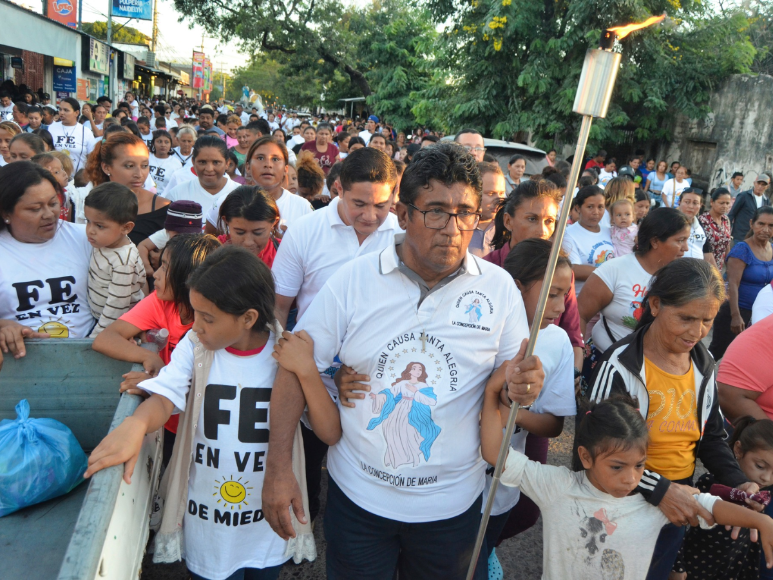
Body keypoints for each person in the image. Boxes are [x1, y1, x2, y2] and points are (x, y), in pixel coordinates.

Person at [262, 142, 545, 580]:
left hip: (452, 510)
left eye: (465, 213)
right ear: (404, 214)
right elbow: (294, 369)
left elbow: (504, 385)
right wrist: (278, 470)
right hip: (358, 501)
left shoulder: (499, 290)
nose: (452, 228)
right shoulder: (353, 281)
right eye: (435, 211)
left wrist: (520, 387)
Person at [84, 246, 314, 580]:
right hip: (209, 516)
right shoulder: (195, 347)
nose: (196, 326)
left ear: (248, 318)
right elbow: (165, 399)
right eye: (195, 314)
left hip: (267, 514)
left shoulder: (287, 353)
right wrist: (135, 424)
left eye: (207, 318)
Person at [586, 258, 759, 579]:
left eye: (707, 320)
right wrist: (660, 489)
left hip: (677, 504)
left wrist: (738, 484)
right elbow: (597, 453)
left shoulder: (703, 363)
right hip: (620, 505)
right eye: (686, 318)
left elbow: (711, 436)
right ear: (655, 304)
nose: (698, 332)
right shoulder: (621, 366)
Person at [482, 394, 773, 580]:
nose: (630, 479)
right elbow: (496, 453)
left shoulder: (655, 501)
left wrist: (761, 520)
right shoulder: (557, 486)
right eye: (617, 467)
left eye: (639, 465)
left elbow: (709, 506)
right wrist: (492, 393)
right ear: (585, 456)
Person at [271, 148, 400, 522]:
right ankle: (302, 531)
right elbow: (281, 307)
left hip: (371, 382)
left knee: (369, 469)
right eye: (359, 203)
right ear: (338, 188)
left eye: (381, 205)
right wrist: (282, 370)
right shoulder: (307, 231)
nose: (371, 216)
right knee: (307, 461)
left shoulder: (402, 238)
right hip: (310, 373)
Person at [477, 239, 576, 578]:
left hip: (500, 488)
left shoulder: (557, 341)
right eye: (550, 294)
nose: (561, 306)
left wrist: (511, 414)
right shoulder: (477, 329)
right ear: (516, 288)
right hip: (453, 485)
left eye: (565, 294)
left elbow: (553, 425)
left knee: (483, 546)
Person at [92, 234, 221, 457]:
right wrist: (149, 357)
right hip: (167, 421)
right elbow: (105, 339)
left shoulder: (218, 323)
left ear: (189, 278)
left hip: (207, 432)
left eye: (165, 267)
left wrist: (156, 381)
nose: (156, 274)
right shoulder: (161, 302)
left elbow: (212, 388)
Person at [578, 208, 689, 373]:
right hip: (605, 364)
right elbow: (579, 315)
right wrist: (576, 360)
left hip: (653, 371)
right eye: (680, 240)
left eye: (687, 240)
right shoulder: (615, 270)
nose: (685, 248)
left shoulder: (681, 278)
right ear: (655, 241)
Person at [0, 162, 95, 347]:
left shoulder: (86, 238)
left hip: (90, 355)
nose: (49, 214)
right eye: (35, 209)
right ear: (6, 212)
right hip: (21, 363)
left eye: (53, 203)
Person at [674, 416, 773, 580]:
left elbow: (747, 548)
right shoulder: (710, 485)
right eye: (760, 466)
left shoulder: (760, 499)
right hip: (693, 569)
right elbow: (679, 525)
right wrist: (676, 565)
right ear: (739, 450)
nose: (766, 478)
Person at [207, 136, 311, 234]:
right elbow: (208, 246)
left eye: (275, 159)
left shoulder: (302, 207)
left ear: (285, 169)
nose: (268, 165)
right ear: (248, 167)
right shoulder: (224, 203)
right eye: (260, 158)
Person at [83, 133, 171, 246]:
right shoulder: (90, 202)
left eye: (144, 165)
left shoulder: (164, 209)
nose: (139, 174)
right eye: (129, 166)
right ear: (106, 167)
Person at [709, 206, 773, 359]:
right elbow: (732, 285)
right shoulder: (742, 249)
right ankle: (698, 381)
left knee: (743, 358)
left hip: (759, 316)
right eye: (761, 224)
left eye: (771, 225)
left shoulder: (771, 249)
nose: (766, 229)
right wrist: (735, 316)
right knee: (715, 353)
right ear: (752, 224)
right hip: (736, 312)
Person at [83, 183, 147, 337]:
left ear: (126, 228)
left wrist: (96, 337)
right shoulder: (105, 241)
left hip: (114, 325)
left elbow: (117, 306)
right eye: (88, 221)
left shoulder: (123, 262)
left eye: (99, 226)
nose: (90, 230)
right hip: (98, 317)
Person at [164, 135, 239, 218]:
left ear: (227, 163)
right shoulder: (177, 194)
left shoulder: (241, 195)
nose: (209, 169)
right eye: (202, 162)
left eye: (216, 162)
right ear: (193, 162)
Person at [561, 185, 615, 295]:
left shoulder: (610, 231)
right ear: (577, 208)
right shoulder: (569, 235)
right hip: (583, 299)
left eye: (600, 207)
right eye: (590, 207)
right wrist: (612, 273)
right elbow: (574, 269)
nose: (596, 212)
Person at [214, 185, 281, 267]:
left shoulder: (285, 253)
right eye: (240, 232)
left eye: (258, 233)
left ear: (274, 222)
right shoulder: (212, 250)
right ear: (226, 221)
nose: (248, 243)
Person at [137, 201, 203, 278]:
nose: (184, 237)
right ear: (168, 229)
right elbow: (142, 246)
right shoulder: (164, 235)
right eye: (178, 233)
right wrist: (147, 266)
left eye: (190, 233)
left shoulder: (199, 240)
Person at [47, 98, 94, 174]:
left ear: (76, 113)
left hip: (78, 178)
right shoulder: (51, 128)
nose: (61, 113)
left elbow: (92, 158)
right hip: (55, 177)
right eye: (60, 109)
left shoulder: (85, 131)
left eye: (66, 110)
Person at [469, 162, 506, 257]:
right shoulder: (458, 227)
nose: (499, 200)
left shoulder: (508, 228)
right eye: (491, 194)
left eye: (501, 193)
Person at [676, 188, 715, 265]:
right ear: (679, 202)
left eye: (695, 203)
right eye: (687, 202)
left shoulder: (700, 225)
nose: (690, 206)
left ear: (700, 205)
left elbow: (707, 252)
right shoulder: (669, 222)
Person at [729, 173, 771, 242]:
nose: (760, 186)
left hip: (756, 238)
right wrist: (727, 232)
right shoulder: (744, 196)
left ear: (767, 187)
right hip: (740, 236)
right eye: (758, 183)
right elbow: (732, 214)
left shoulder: (766, 201)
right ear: (754, 183)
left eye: (763, 184)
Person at [698, 188, 732, 269]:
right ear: (712, 202)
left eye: (727, 203)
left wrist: (729, 268)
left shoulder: (726, 220)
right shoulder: (702, 221)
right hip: (703, 266)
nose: (725, 206)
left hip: (718, 267)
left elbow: (727, 246)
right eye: (721, 203)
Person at [148, 130, 181, 195]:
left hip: (165, 200)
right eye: (159, 142)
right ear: (153, 143)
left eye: (166, 142)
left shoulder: (176, 163)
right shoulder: (146, 157)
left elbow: (177, 186)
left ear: (171, 145)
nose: (163, 145)